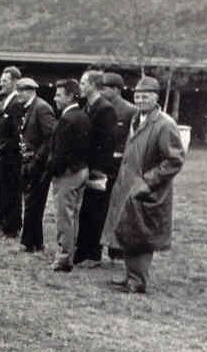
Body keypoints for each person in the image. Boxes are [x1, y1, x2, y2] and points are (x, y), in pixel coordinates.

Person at [101, 76, 185, 293]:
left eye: (145, 96)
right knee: (129, 231)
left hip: (147, 188)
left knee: (142, 234)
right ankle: (130, 275)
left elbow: (174, 160)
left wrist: (149, 181)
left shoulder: (165, 124)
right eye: (137, 96)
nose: (140, 100)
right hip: (128, 185)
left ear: (156, 98)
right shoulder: (136, 119)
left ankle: (138, 280)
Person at [47, 79, 92, 272]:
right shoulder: (83, 116)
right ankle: (70, 254)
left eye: (58, 95)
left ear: (70, 96)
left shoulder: (67, 119)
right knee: (73, 216)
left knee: (64, 217)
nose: (55, 98)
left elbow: (60, 153)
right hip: (80, 170)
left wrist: (52, 171)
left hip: (67, 174)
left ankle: (64, 257)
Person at [73, 70, 117, 268]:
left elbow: (107, 143)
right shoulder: (87, 107)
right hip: (86, 166)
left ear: (93, 85)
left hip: (98, 169)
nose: (80, 87)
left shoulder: (105, 109)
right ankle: (82, 251)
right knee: (85, 211)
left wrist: (98, 170)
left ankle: (93, 254)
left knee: (96, 211)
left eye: (83, 83)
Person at [99, 72, 137, 261]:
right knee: (100, 206)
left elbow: (133, 140)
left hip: (119, 166)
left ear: (116, 90)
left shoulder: (130, 111)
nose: (101, 92)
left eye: (105, 88)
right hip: (101, 164)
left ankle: (116, 248)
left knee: (118, 207)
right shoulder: (99, 107)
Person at [18, 77, 57, 253]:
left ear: (30, 91)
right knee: (32, 202)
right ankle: (36, 242)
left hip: (39, 164)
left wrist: (37, 159)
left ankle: (28, 242)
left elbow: (50, 138)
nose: (18, 94)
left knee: (33, 202)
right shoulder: (29, 108)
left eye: (21, 91)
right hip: (30, 161)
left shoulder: (41, 108)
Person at [0, 67, 26, 238]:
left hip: (10, 157)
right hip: (1, 155)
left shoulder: (16, 103)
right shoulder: (7, 102)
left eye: (4, 81)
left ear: (14, 82)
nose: (1, 84)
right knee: (2, 191)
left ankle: (11, 227)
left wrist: (1, 149)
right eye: (1, 80)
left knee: (11, 192)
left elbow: (15, 133)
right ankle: (2, 222)